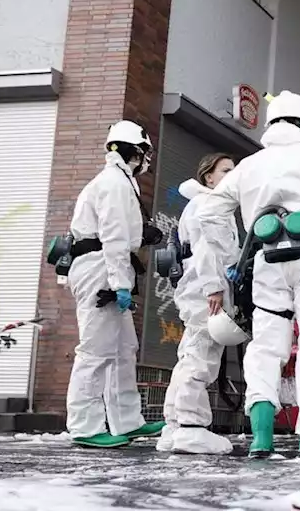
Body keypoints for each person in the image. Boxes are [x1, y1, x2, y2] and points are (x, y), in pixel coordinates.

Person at [196, 91, 300, 459]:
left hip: (266, 257)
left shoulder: (250, 165)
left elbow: (210, 212)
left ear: (271, 124)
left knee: (266, 344)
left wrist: (232, 259)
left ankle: (261, 436)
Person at [65, 120, 167, 448]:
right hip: (100, 268)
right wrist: (120, 282)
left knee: (124, 348)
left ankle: (127, 419)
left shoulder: (121, 182)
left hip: (103, 265)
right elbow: (113, 236)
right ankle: (84, 426)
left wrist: (142, 234)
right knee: (96, 351)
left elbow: (122, 232)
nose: (145, 159)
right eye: (143, 152)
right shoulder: (114, 183)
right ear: (131, 151)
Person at [156, 153, 237, 455]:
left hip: (196, 288)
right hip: (205, 290)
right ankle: (191, 426)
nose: (232, 175)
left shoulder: (200, 204)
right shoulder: (210, 205)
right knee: (202, 355)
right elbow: (208, 251)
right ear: (209, 177)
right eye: (226, 170)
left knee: (190, 353)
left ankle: (174, 425)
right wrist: (215, 288)